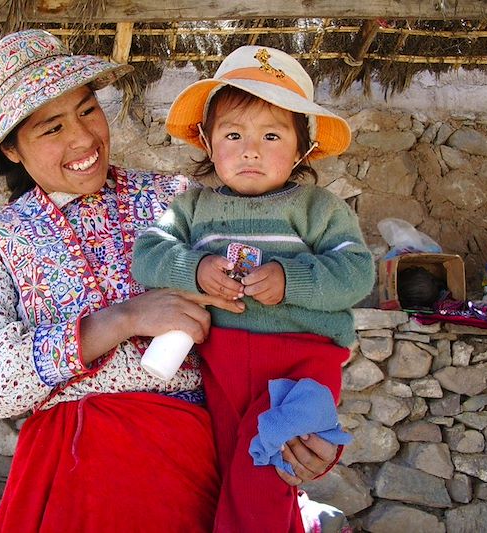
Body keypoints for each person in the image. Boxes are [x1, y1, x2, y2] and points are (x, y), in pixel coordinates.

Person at [0, 29, 343, 533]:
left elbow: (277, 322)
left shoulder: (178, 201)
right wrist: (123, 318)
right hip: (65, 479)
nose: (84, 138)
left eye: (88, 110)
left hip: (190, 468)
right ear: (12, 151)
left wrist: (302, 426)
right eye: (51, 128)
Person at [132, 45, 375, 533]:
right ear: (206, 140)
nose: (250, 150)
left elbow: (356, 273)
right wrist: (195, 269)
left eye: (271, 135)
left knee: (263, 468)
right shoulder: (190, 209)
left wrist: (290, 279)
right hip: (222, 360)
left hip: (302, 358)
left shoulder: (320, 210)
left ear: (302, 147)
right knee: (235, 466)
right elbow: (148, 256)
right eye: (233, 134)